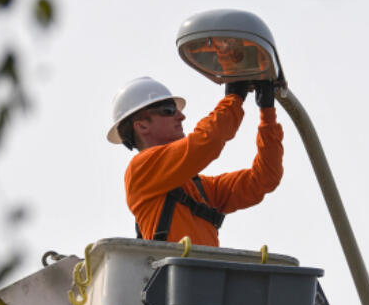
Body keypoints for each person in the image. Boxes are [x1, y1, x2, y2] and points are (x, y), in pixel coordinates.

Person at [106, 76, 283, 246]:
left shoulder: (198, 188)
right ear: (142, 125)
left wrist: (267, 113)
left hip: (203, 275)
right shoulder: (141, 170)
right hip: (176, 276)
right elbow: (208, 140)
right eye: (168, 111)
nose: (181, 116)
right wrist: (233, 98)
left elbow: (265, 178)